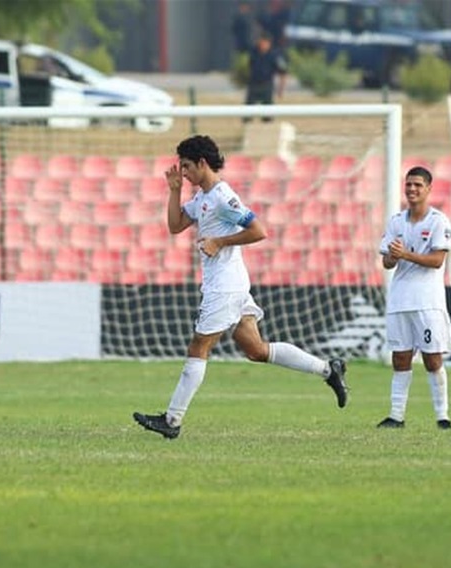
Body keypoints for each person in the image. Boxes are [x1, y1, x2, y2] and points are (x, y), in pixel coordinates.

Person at [133, 135, 348, 439]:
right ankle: (329, 370)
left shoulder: (223, 196)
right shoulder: (203, 197)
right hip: (231, 283)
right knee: (256, 350)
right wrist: (175, 191)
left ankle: (172, 421)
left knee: (198, 347)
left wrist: (219, 241)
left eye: (186, 167)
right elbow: (175, 225)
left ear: (202, 163)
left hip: (225, 287)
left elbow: (259, 230)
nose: (183, 173)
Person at [376, 166, 451, 430]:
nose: (412, 189)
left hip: (428, 302)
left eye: (418, 185)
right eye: (409, 184)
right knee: (400, 358)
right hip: (400, 300)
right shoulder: (396, 221)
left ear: (428, 189)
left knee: (433, 360)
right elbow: (387, 263)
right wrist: (393, 256)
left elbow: (436, 260)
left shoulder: (438, 222)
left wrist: (406, 254)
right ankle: (396, 416)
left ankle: (442, 416)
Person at [244, 31, 288, 123]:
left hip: (266, 85)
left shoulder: (274, 55)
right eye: (261, 42)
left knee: (267, 112)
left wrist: (281, 90)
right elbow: (249, 66)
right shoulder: (253, 52)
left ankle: (267, 128)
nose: (262, 45)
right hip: (253, 84)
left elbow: (283, 72)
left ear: (269, 43)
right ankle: (247, 127)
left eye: (265, 42)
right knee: (248, 110)